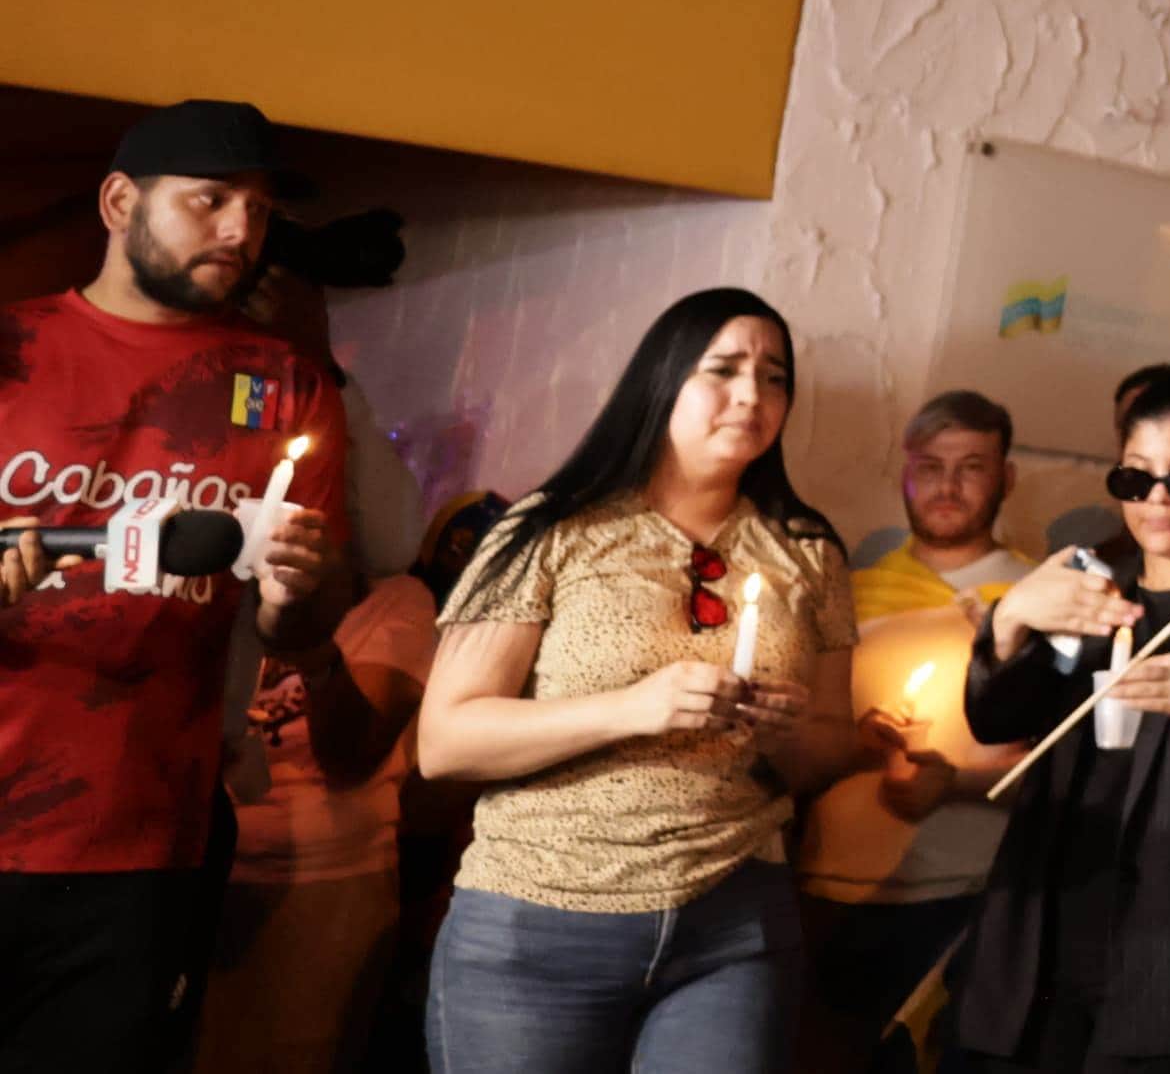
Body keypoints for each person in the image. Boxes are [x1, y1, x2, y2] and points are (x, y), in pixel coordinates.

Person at [418, 289, 866, 1074]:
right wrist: (631, 708)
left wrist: (790, 736)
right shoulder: (551, 529)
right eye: (722, 369)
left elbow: (832, 746)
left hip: (733, 923)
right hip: (541, 914)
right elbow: (445, 741)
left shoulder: (808, 550)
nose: (751, 395)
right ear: (662, 380)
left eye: (774, 377)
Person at [0, 99, 350, 1072]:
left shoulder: (287, 385)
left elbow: (311, 619)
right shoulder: (10, 349)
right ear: (120, 200)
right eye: (211, 199)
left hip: (145, 843)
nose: (242, 230)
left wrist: (295, 597)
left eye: (261, 209)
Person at [949, 367, 1170, 1074]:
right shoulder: (1089, 585)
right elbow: (995, 718)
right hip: (1042, 931)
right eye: (1135, 478)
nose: (1157, 499)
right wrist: (1011, 617)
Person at [799, 390, 1031, 1066]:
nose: (947, 486)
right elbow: (798, 743)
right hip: (829, 892)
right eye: (930, 466)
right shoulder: (850, 591)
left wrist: (953, 781)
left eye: (972, 466)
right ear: (903, 473)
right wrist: (855, 741)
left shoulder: (1036, 593)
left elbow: (1060, 762)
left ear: (1006, 477)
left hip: (962, 895)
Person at [201, 552, 437, 1074]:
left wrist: (307, 643)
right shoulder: (210, 574)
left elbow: (350, 755)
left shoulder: (391, 598)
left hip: (322, 884)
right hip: (198, 870)